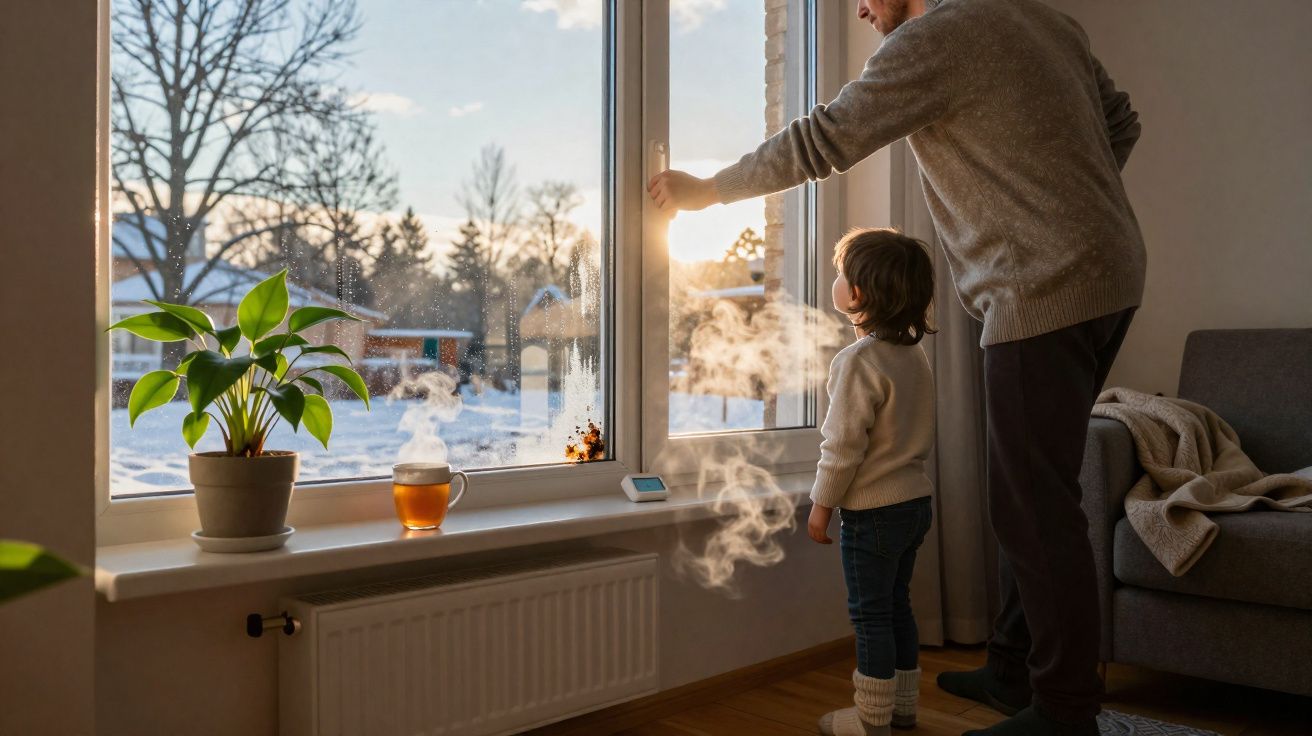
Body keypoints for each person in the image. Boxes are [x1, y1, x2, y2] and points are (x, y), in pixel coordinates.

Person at [648, 0, 1144, 734]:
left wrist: (707, 191)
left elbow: (824, 140)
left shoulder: (934, 38)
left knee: (1033, 508)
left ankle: (1067, 713)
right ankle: (1013, 668)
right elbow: (1122, 122)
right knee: (1040, 494)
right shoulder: (1041, 16)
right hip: (1114, 271)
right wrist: (1069, 200)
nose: (860, 10)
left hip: (1041, 285)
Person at [807, 229, 938, 736]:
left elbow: (842, 447)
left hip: (874, 513)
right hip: (914, 504)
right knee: (897, 606)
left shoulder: (858, 361)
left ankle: (870, 721)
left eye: (841, 274)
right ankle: (902, 710)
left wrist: (822, 506)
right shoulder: (912, 356)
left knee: (870, 618)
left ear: (858, 293)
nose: (836, 281)